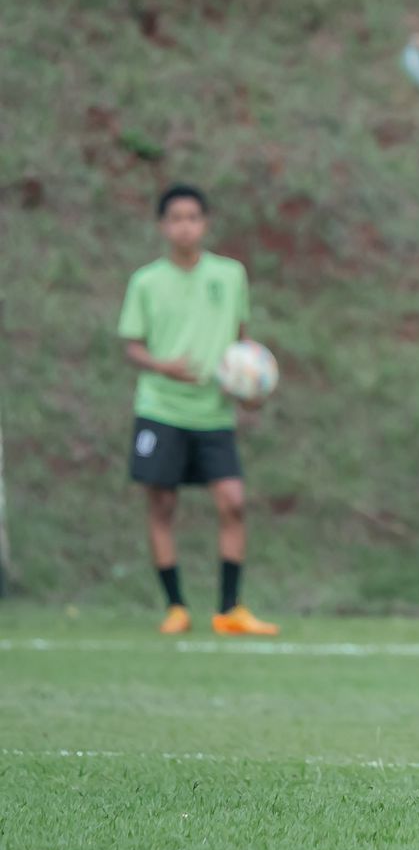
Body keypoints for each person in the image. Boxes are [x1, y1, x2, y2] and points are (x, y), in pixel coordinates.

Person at [117, 185, 277, 637]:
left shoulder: (230, 276)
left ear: (205, 224)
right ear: (163, 226)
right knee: (162, 504)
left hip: (213, 413)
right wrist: (161, 365)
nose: (185, 226)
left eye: (193, 217)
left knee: (233, 502)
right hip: (161, 409)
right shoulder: (146, 282)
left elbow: (241, 345)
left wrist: (247, 386)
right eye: (176, 218)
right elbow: (131, 347)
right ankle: (176, 607)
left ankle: (230, 609)